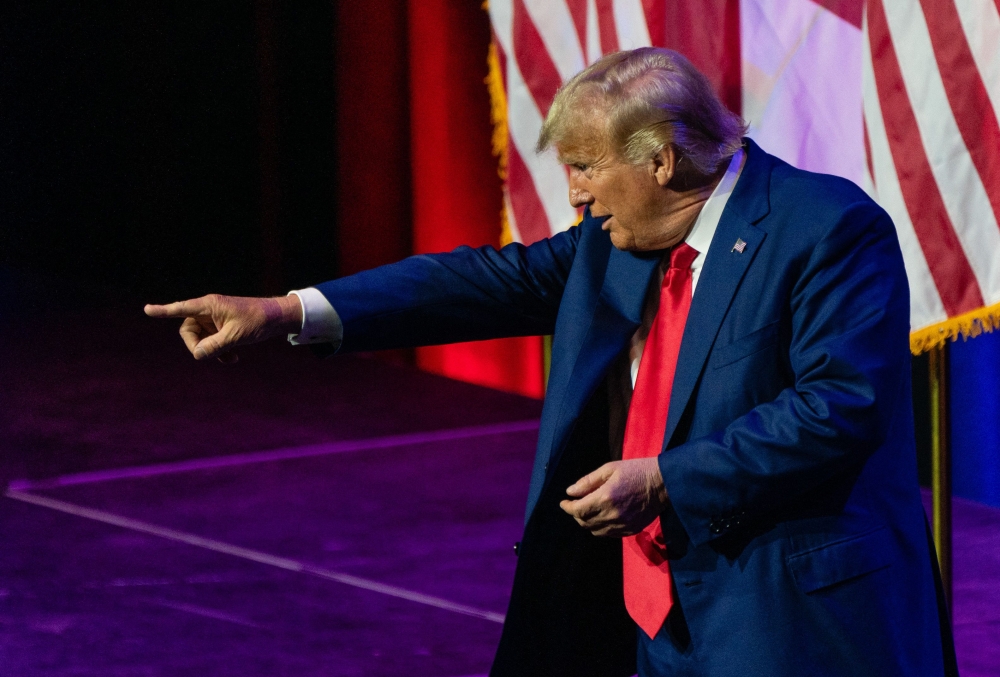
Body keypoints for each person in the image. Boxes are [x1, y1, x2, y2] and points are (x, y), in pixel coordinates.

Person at [146, 48, 955, 677]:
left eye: (585, 166)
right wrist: (289, 312)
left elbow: (837, 406)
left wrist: (667, 477)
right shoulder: (622, 239)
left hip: (789, 619)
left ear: (662, 162)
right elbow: (482, 282)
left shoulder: (826, 229)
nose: (573, 193)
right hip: (656, 617)